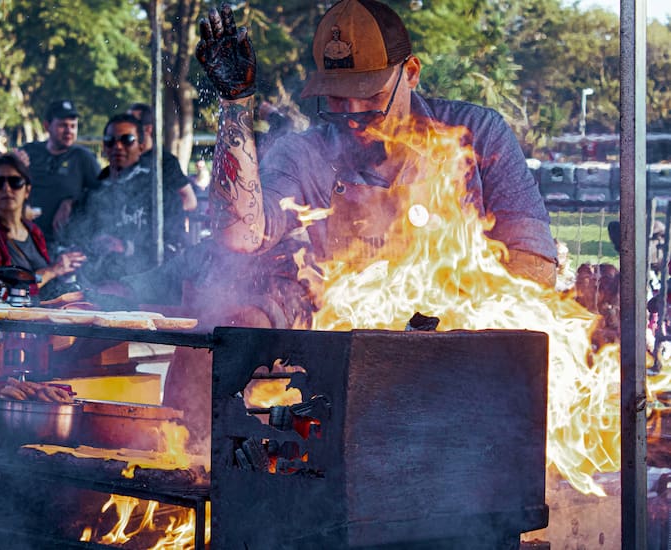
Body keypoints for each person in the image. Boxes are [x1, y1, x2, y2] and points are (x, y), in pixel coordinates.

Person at [156, 0, 559, 450]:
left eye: (368, 95)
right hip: (332, 345)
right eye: (335, 96)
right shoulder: (305, 153)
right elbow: (240, 234)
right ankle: (191, 473)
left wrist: (447, 329)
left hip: (455, 353)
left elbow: (534, 266)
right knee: (218, 333)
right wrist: (236, 105)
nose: (350, 112)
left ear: (410, 72)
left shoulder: (475, 133)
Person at [64, 114, 191, 285]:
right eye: (110, 140)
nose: (118, 146)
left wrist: (126, 247)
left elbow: (175, 245)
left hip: (147, 286)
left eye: (127, 140)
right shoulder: (95, 190)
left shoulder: (158, 189)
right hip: (98, 285)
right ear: (104, 146)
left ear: (141, 145)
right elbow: (78, 237)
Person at [0, 153, 87, 299]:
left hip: (40, 315)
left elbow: (48, 285)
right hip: (7, 320)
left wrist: (64, 268)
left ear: (27, 190)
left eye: (15, 182)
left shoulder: (34, 231)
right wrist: (52, 270)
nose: (6, 189)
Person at [20, 99, 100, 252]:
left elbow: (100, 193)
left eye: (73, 126)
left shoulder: (83, 157)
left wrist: (72, 201)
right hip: (28, 240)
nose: (69, 131)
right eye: (63, 125)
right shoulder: (30, 152)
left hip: (66, 244)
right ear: (47, 126)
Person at [127, 102, 198, 214]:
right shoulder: (126, 160)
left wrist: (162, 216)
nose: (126, 127)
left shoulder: (165, 161)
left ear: (148, 129)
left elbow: (190, 201)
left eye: (132, 123)